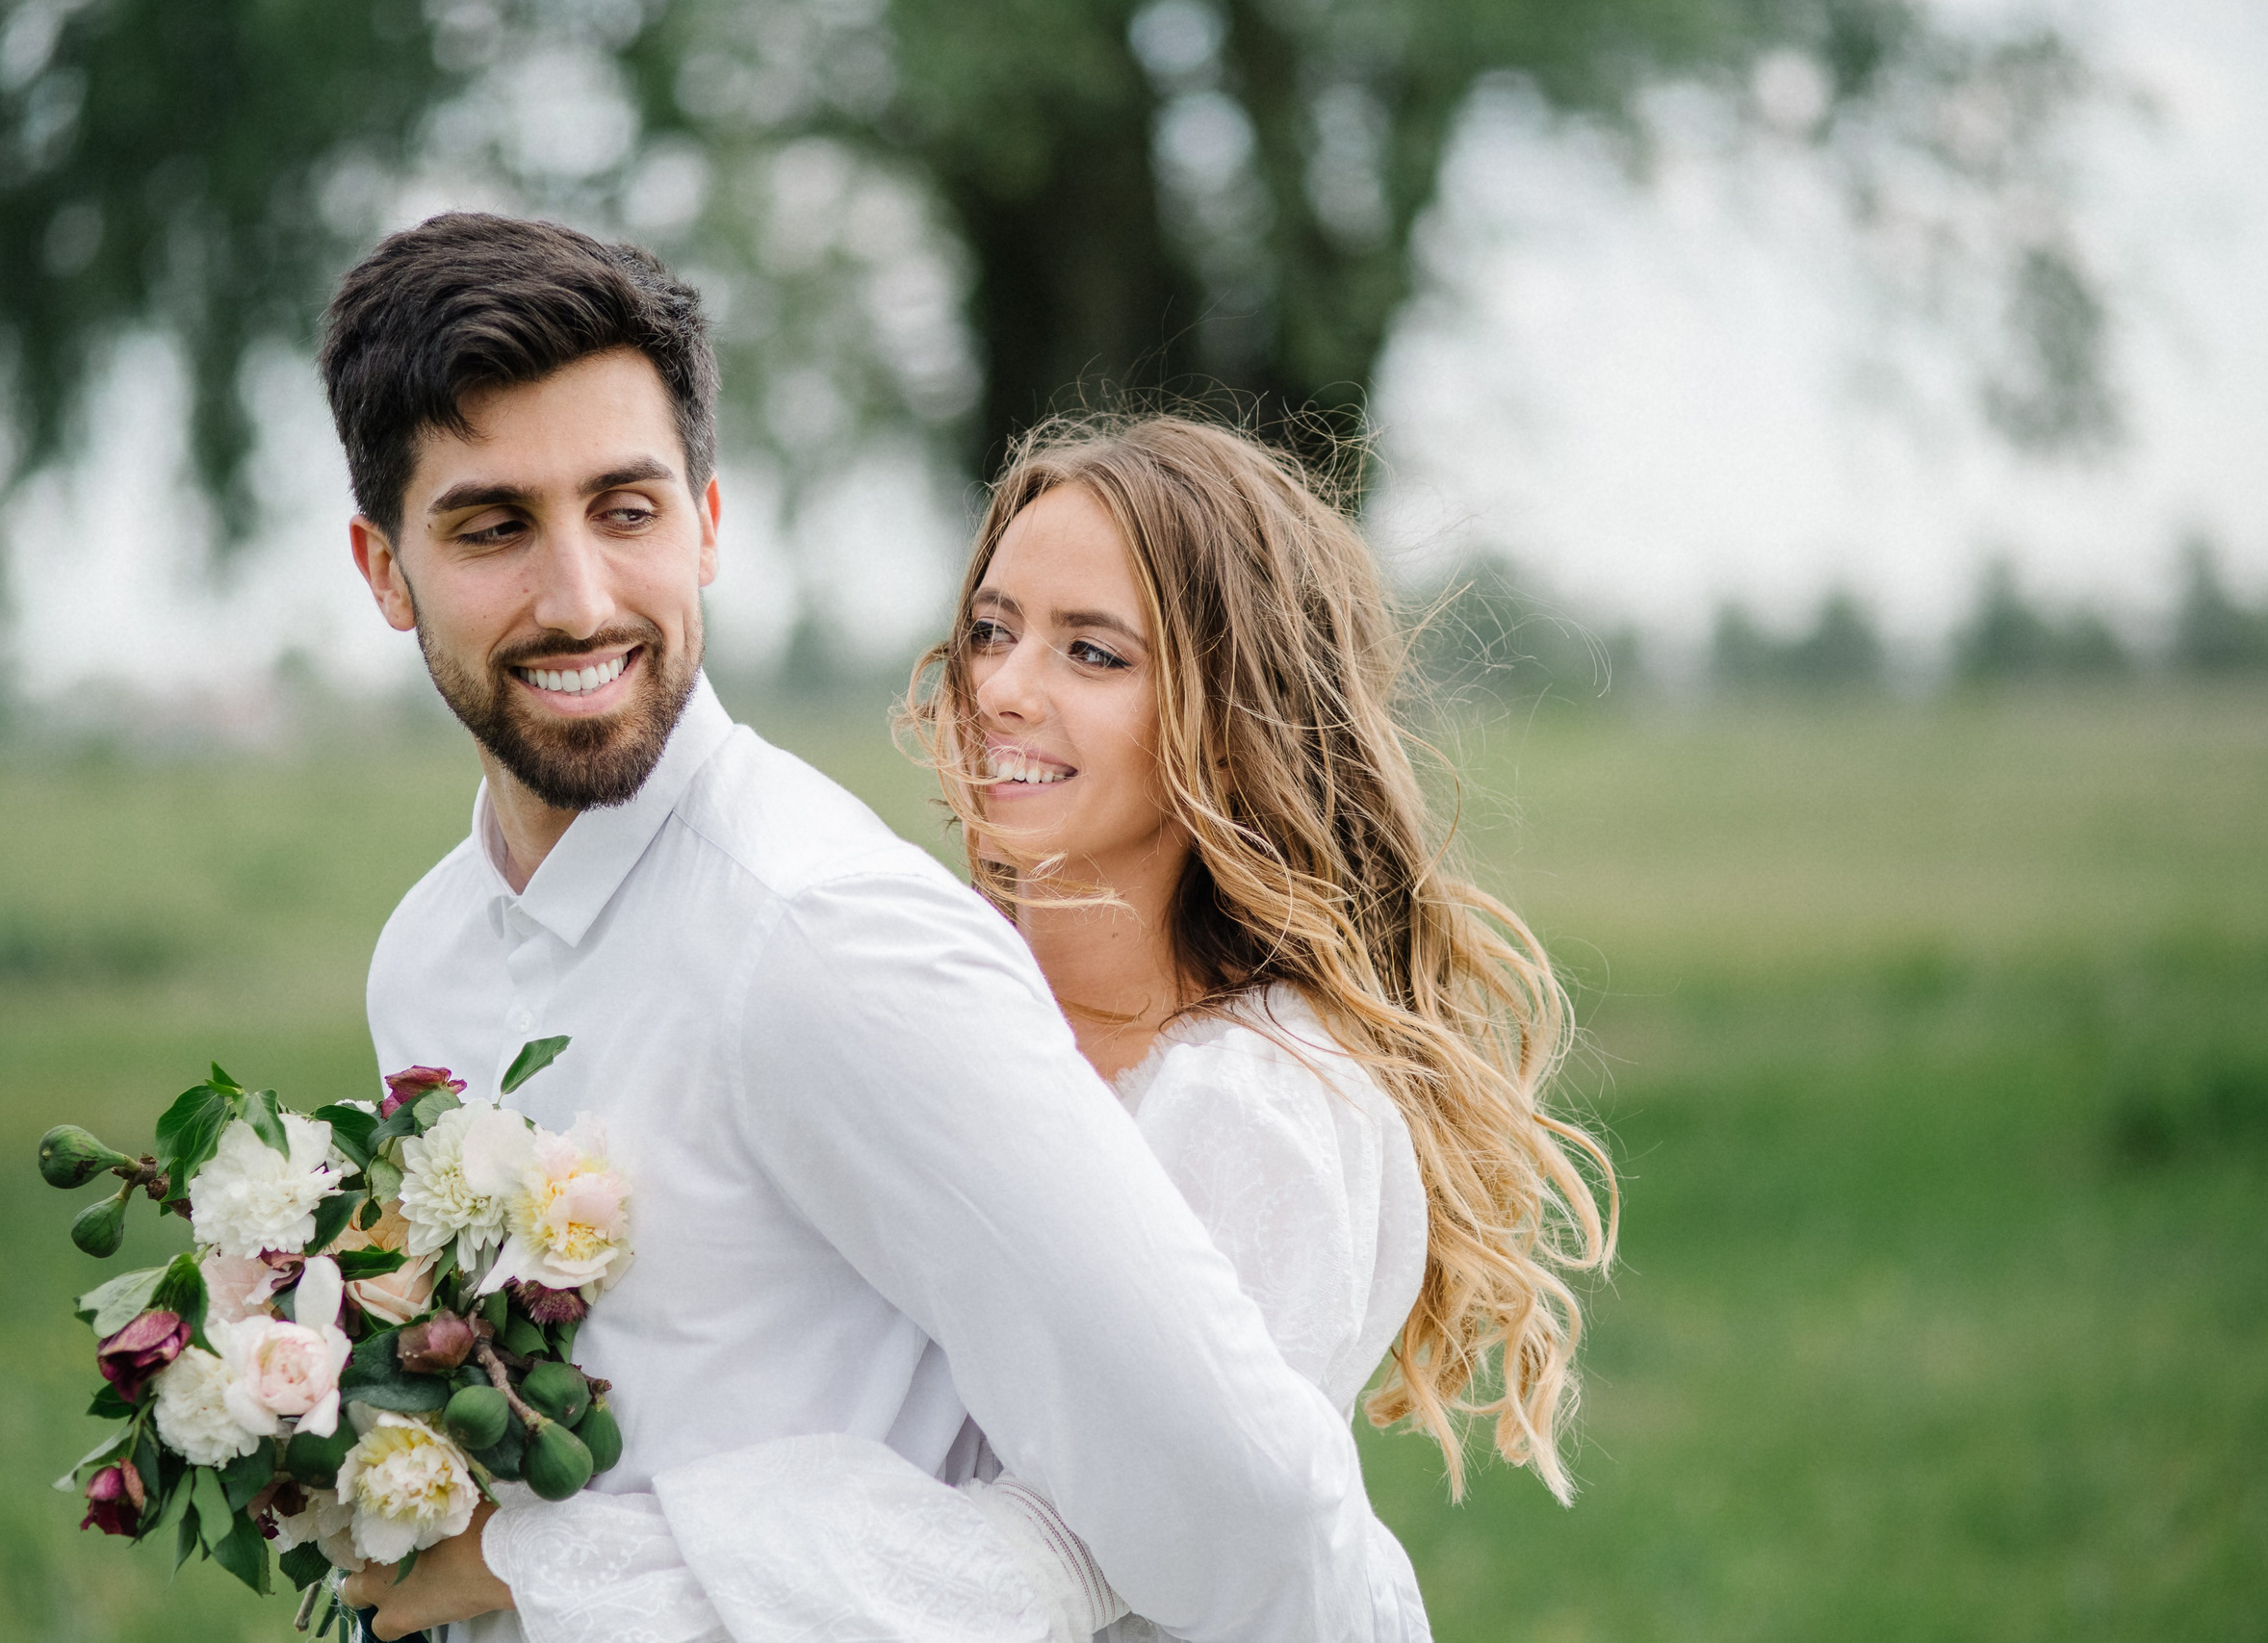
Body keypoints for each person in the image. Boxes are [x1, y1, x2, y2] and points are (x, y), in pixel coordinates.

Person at [321, 214, 1406, 1643]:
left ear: (707, 523)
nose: (578, 595)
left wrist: (534, 1565)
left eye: (628, 509)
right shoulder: (426, 953)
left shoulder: (827, 939)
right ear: (383, 568)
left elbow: (1239, 1513)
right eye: (493, 525)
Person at [426, 415, 1617, 1643]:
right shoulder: (912, 995)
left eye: (1092, 654)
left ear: (1227, 708)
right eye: (992, 631)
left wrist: (535, 1569)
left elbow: (1050, 1564)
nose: (999, 687)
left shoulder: (1257, 1101)